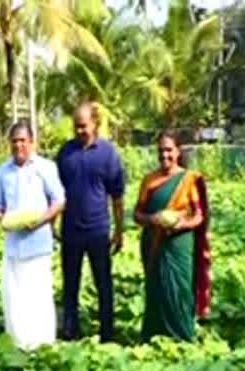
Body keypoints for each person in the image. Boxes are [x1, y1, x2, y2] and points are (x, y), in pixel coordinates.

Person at [0, 121, 66, 350]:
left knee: (38, 296)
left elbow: (59, 200)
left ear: (32, 143)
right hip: (13, 245)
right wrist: (1, 219)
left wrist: (41, 221)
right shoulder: (3, 171)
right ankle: (19, 343)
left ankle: (42, 343)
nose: (19, 145)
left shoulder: (45, 167)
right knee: (14, 296)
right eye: (14, 141)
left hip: (38, 244)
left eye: (23, 140)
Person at [56, 102, 125, 342]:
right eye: (76, 126)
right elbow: (55, 193)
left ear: (94, 124)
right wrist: (54, 223)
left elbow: (117, 196)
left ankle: (107, 333)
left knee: (103, 283)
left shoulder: (108, 153)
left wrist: (119, 231)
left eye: (83, 126)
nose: (79, 131)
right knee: (70, 284)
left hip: (98, 229)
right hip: (70, 230)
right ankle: (70, 330)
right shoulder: (65, 152)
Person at [133, 132, 211, 342]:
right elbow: (137, 214)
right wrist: (153, 219)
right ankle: (153, 336)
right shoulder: (149, 180)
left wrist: (180, 224)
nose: (164, 155)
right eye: (160, 151)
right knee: (156, 288)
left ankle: (182, 337)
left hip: (179, 244)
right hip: (153, 242)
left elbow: (199, 216)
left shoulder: (188, 180)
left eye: (169, 150)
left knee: (179, 289)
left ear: (177, 152)